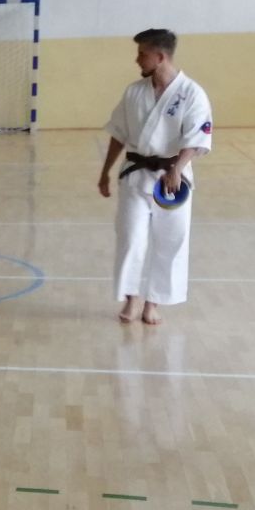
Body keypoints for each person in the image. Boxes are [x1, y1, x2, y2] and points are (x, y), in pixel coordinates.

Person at [99, 28, 213, 326]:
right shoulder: (134, 92)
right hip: (135, 176)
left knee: (170, 241)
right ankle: (131, 299)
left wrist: (177, 169)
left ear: (160, 57)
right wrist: (105, 171)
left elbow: (196, 138)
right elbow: (118, 134)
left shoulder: (192, 93)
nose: (137, 60)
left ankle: (153, 302)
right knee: (130, 238)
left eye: (142, 54)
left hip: (172, 182)